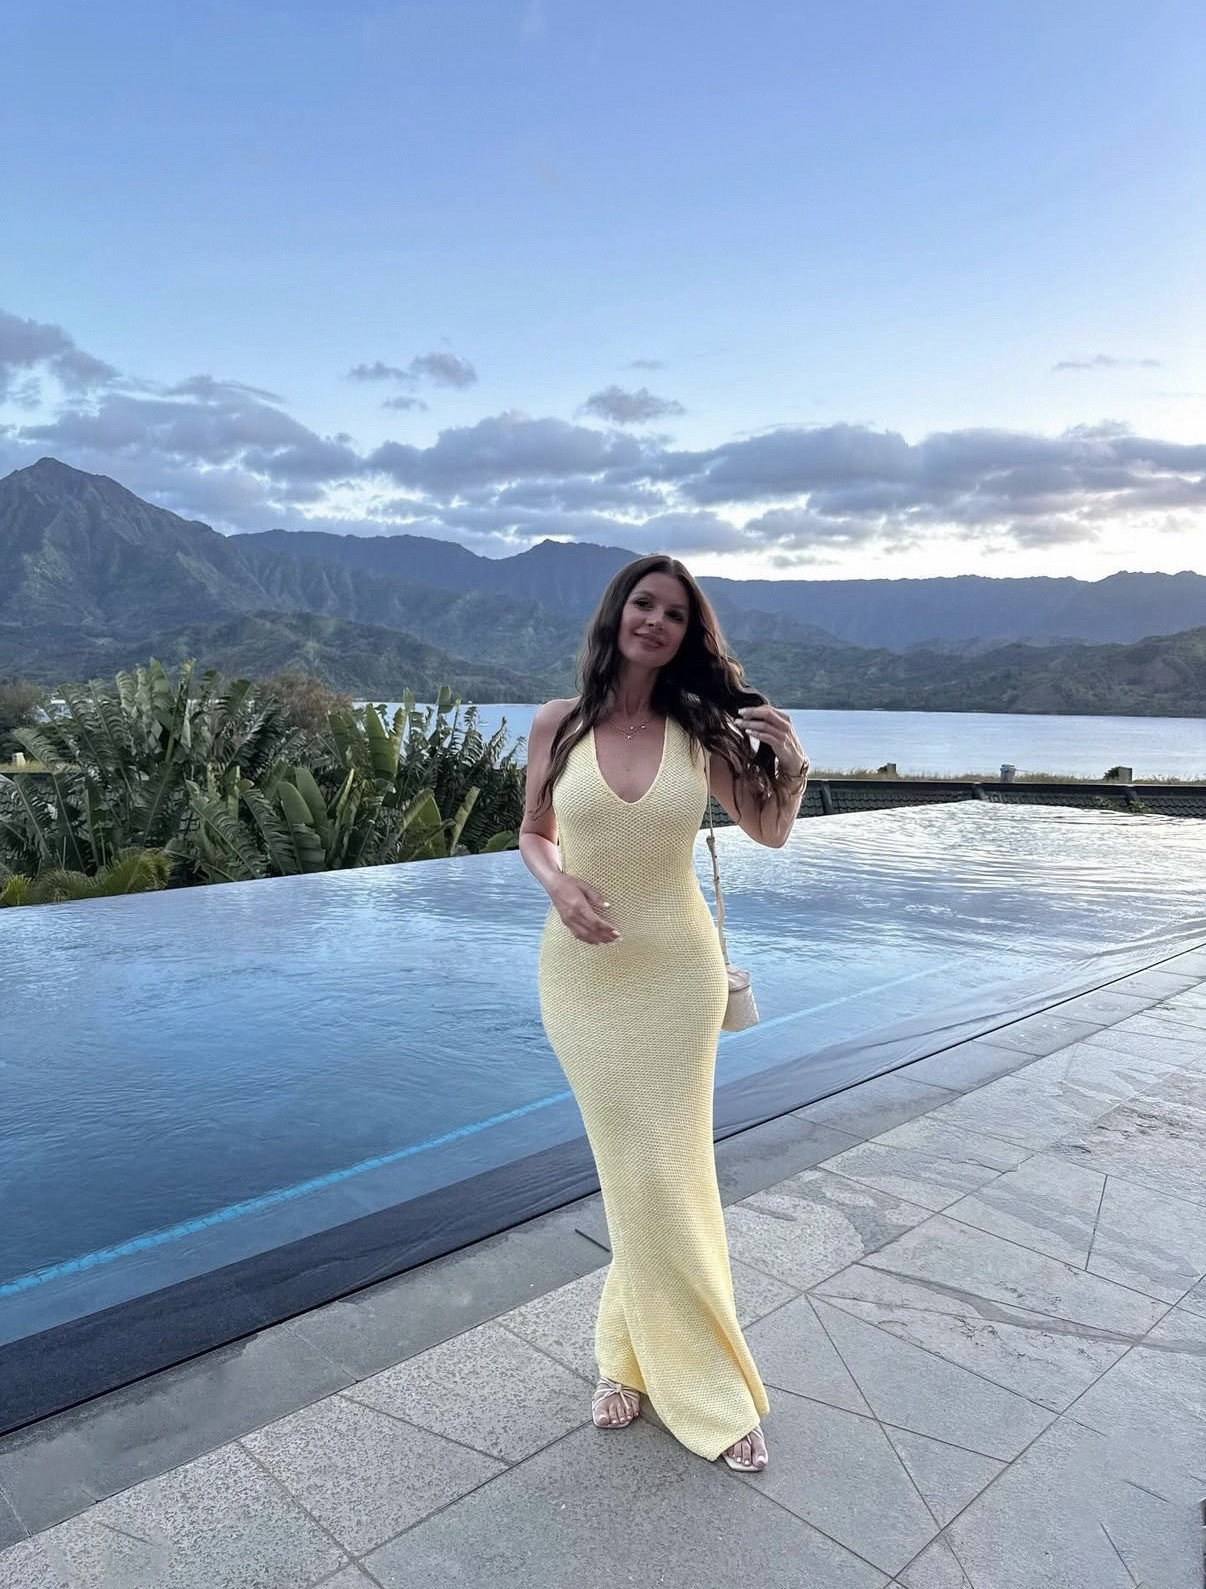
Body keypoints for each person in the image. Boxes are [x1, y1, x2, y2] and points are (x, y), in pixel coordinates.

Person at [519, 553, 810, 1472]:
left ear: (689, 634)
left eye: (674, 614)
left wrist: (791, 766)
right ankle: (665, 1367)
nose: (655, 621)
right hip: (584, 978)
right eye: (643, 603)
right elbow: (532, 830)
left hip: (678, 978)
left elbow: (766, 828)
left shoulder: (700, 730)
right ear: (617, 613)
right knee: (639, 1168)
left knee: (664, 1168)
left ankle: (648, 1368)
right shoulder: (558, 725)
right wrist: (558, 884)